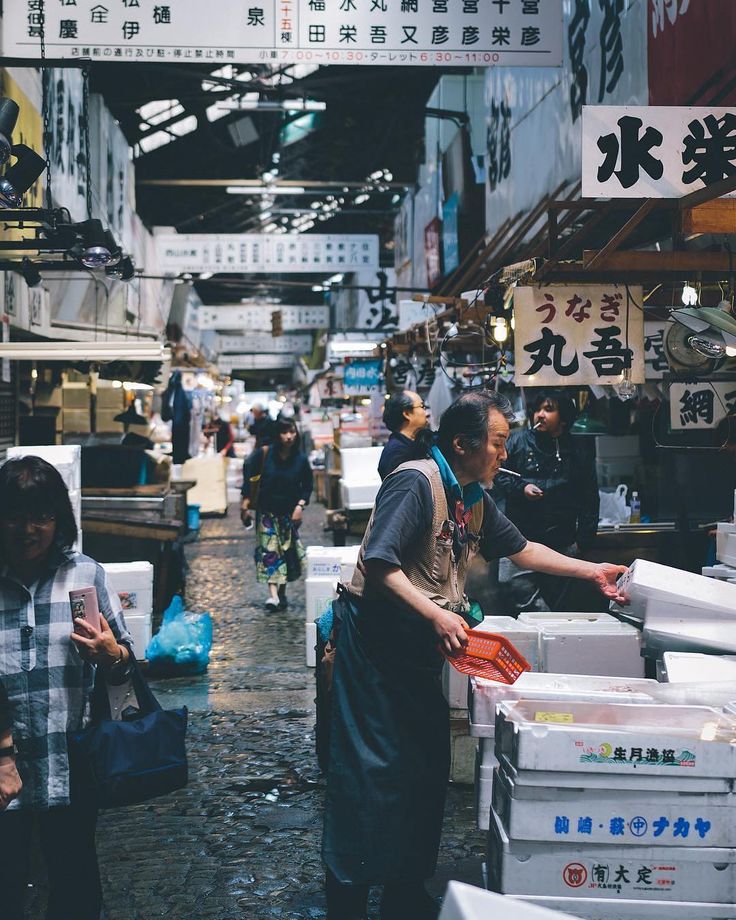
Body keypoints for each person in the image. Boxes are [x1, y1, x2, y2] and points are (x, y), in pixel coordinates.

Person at [322, 390, 626, 920]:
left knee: (425, 763)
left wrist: (590, 570)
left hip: (417, 651)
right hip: (372, 645)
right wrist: (439, 615)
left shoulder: (473, 497)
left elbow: (521, 548)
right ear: (462, 444)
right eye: (499, 443)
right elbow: (380, 561)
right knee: (370, 769)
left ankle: (404, 886)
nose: (505, 455)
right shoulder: (415, 482)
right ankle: (347, 892)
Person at [0, 456, 133, 920]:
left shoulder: (84, 574)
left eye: (42, 516)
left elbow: (127, 666)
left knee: (75, 883)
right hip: (3, 768)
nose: (29, 528)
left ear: (59, 520)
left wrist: (110, 654)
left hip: (70, 759)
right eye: (15, 515)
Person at [494, 389, 600, 615]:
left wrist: (583, 541)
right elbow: (498, 474)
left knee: (559, 605)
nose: (540, 415)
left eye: (549, 409)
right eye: (538, 409)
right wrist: (521, 488)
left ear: (563, 419)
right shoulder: (516, 442)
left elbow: (589, 497)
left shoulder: (577, 450)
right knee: (522, 599)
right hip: (519, 541)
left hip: (561, 541)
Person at [240, 416, 314, 611]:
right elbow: (248, 472)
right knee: (270, 553)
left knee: (287, 554)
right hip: (267, 514)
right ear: (277, 434)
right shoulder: (264, 455)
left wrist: (300, 506)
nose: (289, 436)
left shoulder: (301, 459)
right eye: (284, 432)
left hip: (289, 516)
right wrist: (245, 501)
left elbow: (307, 487)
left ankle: (281, 592)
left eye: (292, 432)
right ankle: (272, 595)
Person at [378, 390, 433, 480]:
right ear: (407, 414)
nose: (427, 413)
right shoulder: (397, 453)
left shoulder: (416, 443)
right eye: (422, 406)